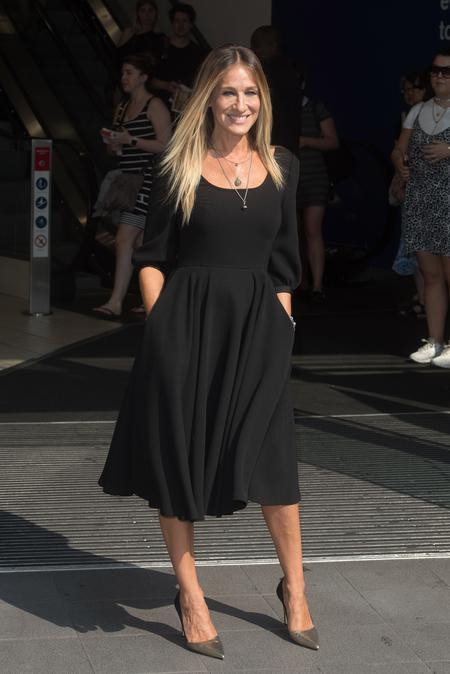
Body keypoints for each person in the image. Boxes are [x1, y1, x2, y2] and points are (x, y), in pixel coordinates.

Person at [99, 45, 318, 659]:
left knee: (274, 463)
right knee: (180, 462)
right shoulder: (178, 164)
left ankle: (296, 588)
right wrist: (163, 331)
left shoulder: (283, 165)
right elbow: (152, 258)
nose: (240, 104)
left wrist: (282, 330)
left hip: (258, 331)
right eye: (228, 92)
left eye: (250, 93)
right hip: (187, 330)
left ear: (262, 100)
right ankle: (191, 597)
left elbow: (283, 267)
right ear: (208, 99)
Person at [93, 53, 171, 318]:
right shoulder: (122, 107)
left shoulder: (154, 105)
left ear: (143, 77)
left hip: (149, 180)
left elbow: (166, 145)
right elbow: (118, 149)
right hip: (128, 180)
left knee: (125, 238)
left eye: (129, 73)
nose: (124, 78)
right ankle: (152, 300)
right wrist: (114, 142)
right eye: (123, 72)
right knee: (140, 244)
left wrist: (131, 140)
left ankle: (116, 302)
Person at [392, 48, 450, 366]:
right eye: (435, 71)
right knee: (430, 275)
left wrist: (449, 149)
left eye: (446, 72)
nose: (439, 76)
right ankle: (435, 341)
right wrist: (400, 165)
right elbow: (398, 149)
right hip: (420, 201)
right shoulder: (418, 110)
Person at [297, 97, 339, 300]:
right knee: (293, 231)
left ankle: (317, 285)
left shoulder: (315, 108)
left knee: (312, 230)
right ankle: (300, 281)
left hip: (315, 177)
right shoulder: (276, 106)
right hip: (287, 176)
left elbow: (333, 141)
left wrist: (305, 141)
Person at [250, 25, 303, 155]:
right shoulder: (290, 70)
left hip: (271, 141)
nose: (256, 50)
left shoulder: (267, 72)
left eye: (259, 45)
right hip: (285, 142)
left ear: (274, 45)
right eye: (255, 46)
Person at [152, 3, 207, 109]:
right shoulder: (160, 45)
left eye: (184, 21)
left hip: (183, 109)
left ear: (191, 24)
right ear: (172, 23)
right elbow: (147, 79)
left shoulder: (198, 53)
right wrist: (166, 85)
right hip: (157, 105)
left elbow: (200, 85)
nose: (180, 25)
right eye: (177, 21)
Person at [117, 1, 167, 66]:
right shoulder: (128, 32)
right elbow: (117, 57)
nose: (147, 15)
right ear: (138, 13)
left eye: (150, 10)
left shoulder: (160, 37)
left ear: (156, 13)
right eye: (143, 11)